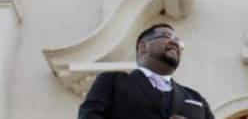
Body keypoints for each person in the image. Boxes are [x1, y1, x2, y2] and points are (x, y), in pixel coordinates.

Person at [78, 24, 214, 119]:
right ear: (143, 47)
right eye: (167, 36)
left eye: (178, 41)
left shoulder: (196, 98)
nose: (175, 43)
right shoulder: (112, 81)